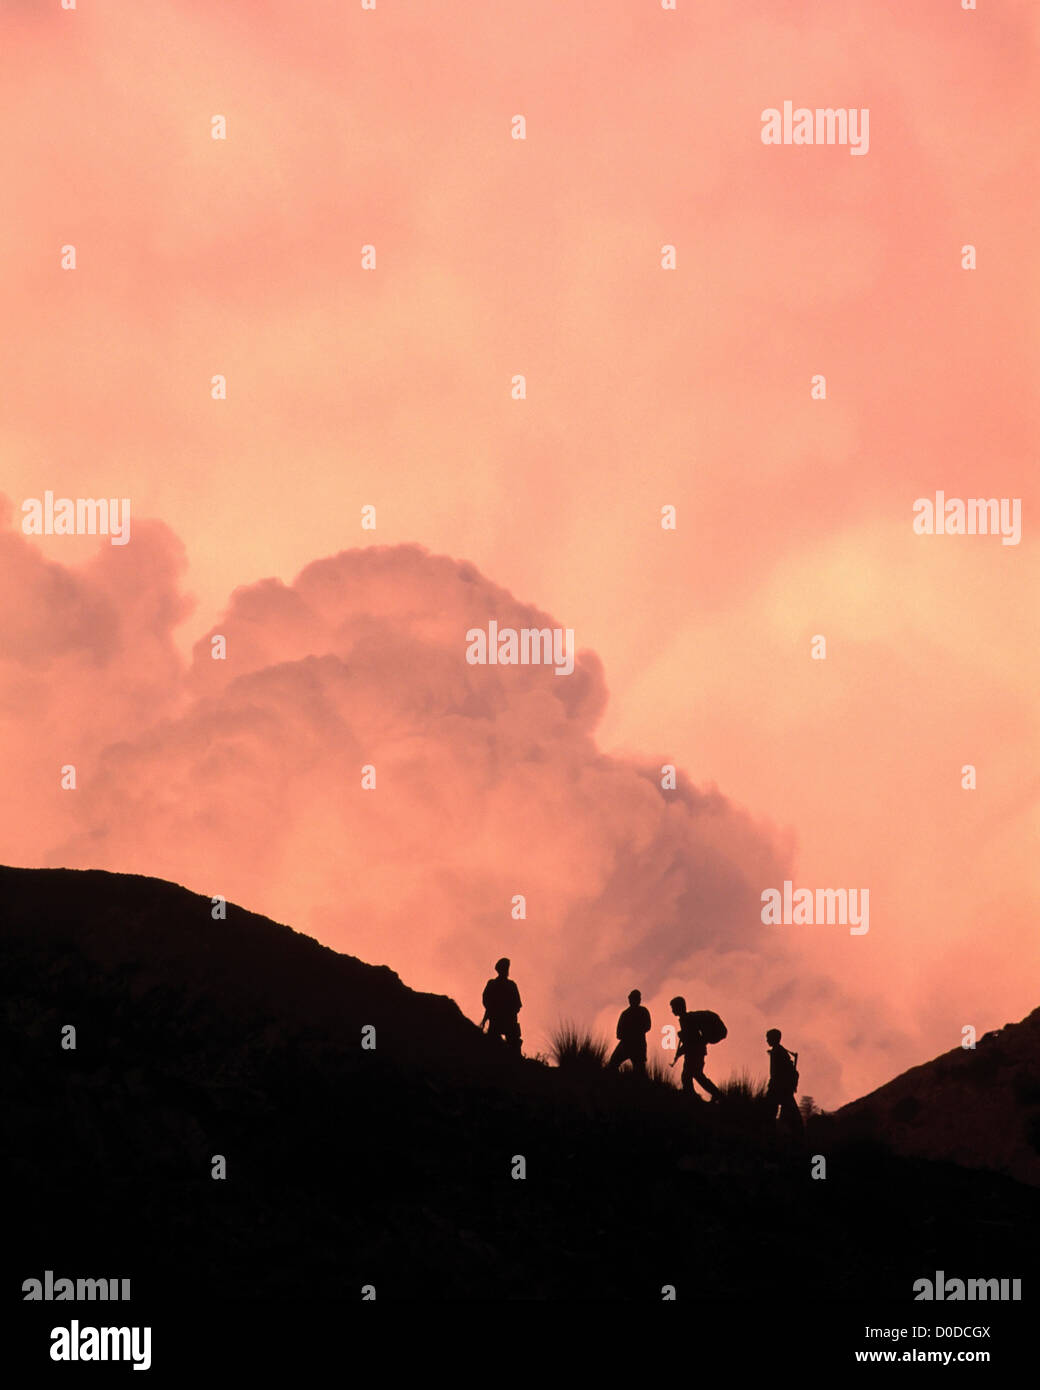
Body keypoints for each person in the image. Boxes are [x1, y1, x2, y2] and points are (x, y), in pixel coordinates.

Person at [670, 996, 721, 1100]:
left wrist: (681, 1050)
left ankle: (694, 1095)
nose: (672, 1011)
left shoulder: (687, 1020)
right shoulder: (686, 1019)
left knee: (689, 1076)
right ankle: (694, 1094)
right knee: (694, 1075)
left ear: (680, 1007)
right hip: (695, 1052)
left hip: (694, 1053)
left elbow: (692, 1040)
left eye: (673, 1008)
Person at [765, 1028, 803, 1135]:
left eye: (768, 1038)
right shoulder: (779, 1051)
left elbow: (778, 1072)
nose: (767, 1040)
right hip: (781, 1087)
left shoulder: (778, 1052)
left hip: (779, 1087)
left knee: (771, 1111)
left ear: (774, 1038)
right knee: (788, 1110)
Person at [481, 958, 522, 1054]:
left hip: (504, 1021)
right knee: (494, 1047)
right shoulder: (509, 985)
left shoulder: (496, 984)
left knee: (509, 1047)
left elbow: (517, 1005)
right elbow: (517, 1005)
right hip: (501, 1021)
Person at [608, 989, 652, 1077]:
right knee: (613, 1063)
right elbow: (619, 1033)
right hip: (627, 1044)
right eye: (633, 998)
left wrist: (632, 1033)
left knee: (639, 1070)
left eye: (637, 998)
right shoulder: (626, 1014)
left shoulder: (642, 1011)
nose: (636, 1000)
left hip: (637, 1044)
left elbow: (647, 1026)